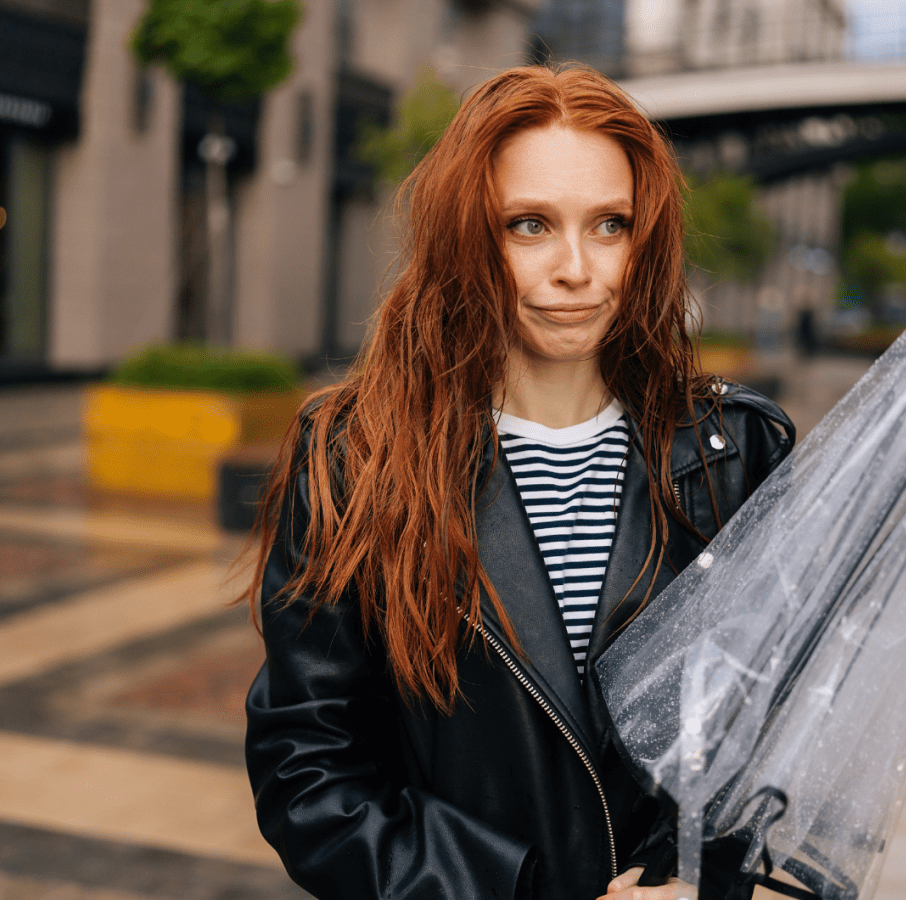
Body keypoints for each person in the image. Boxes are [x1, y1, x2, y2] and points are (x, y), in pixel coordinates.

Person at [243, 64, 796, 900]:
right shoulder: (357, 457)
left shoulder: (733, 450)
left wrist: (701, 883)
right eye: (529, 225)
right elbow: (309, 774)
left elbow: (778, 736)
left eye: (610, 224)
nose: (577, 269)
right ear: (466, 237)